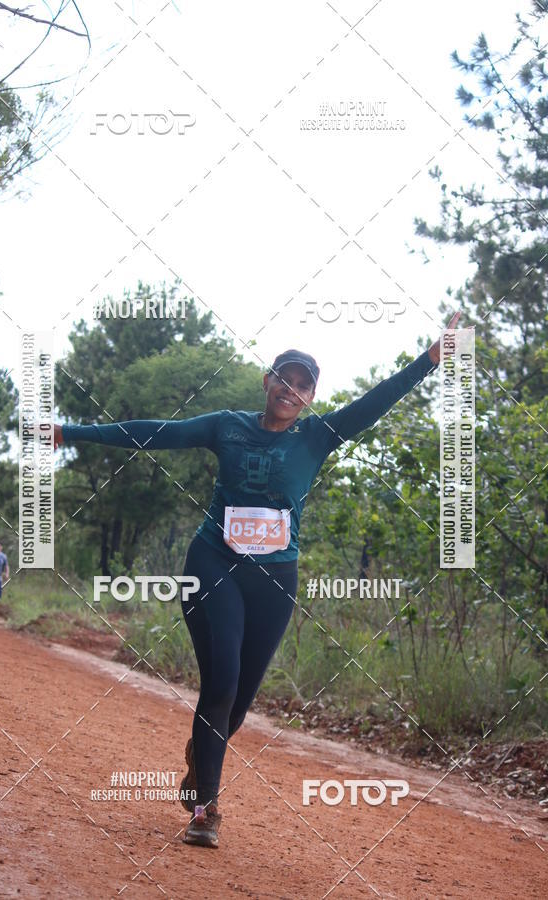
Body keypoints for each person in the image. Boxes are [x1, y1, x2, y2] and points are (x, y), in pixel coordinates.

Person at [53, 312, 460, 848]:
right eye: (284, 378)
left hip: (274, 580)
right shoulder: (227, 425)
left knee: (237, 704)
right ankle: (205, 810)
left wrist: (430, 360)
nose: (291, 389)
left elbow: (378, 400)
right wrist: (68, 431)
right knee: (220, 680)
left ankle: (200, 761)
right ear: (267, 381)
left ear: (311, 395)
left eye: (303, 383)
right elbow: (153, 432)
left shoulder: (319, 435)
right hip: (213, 564)